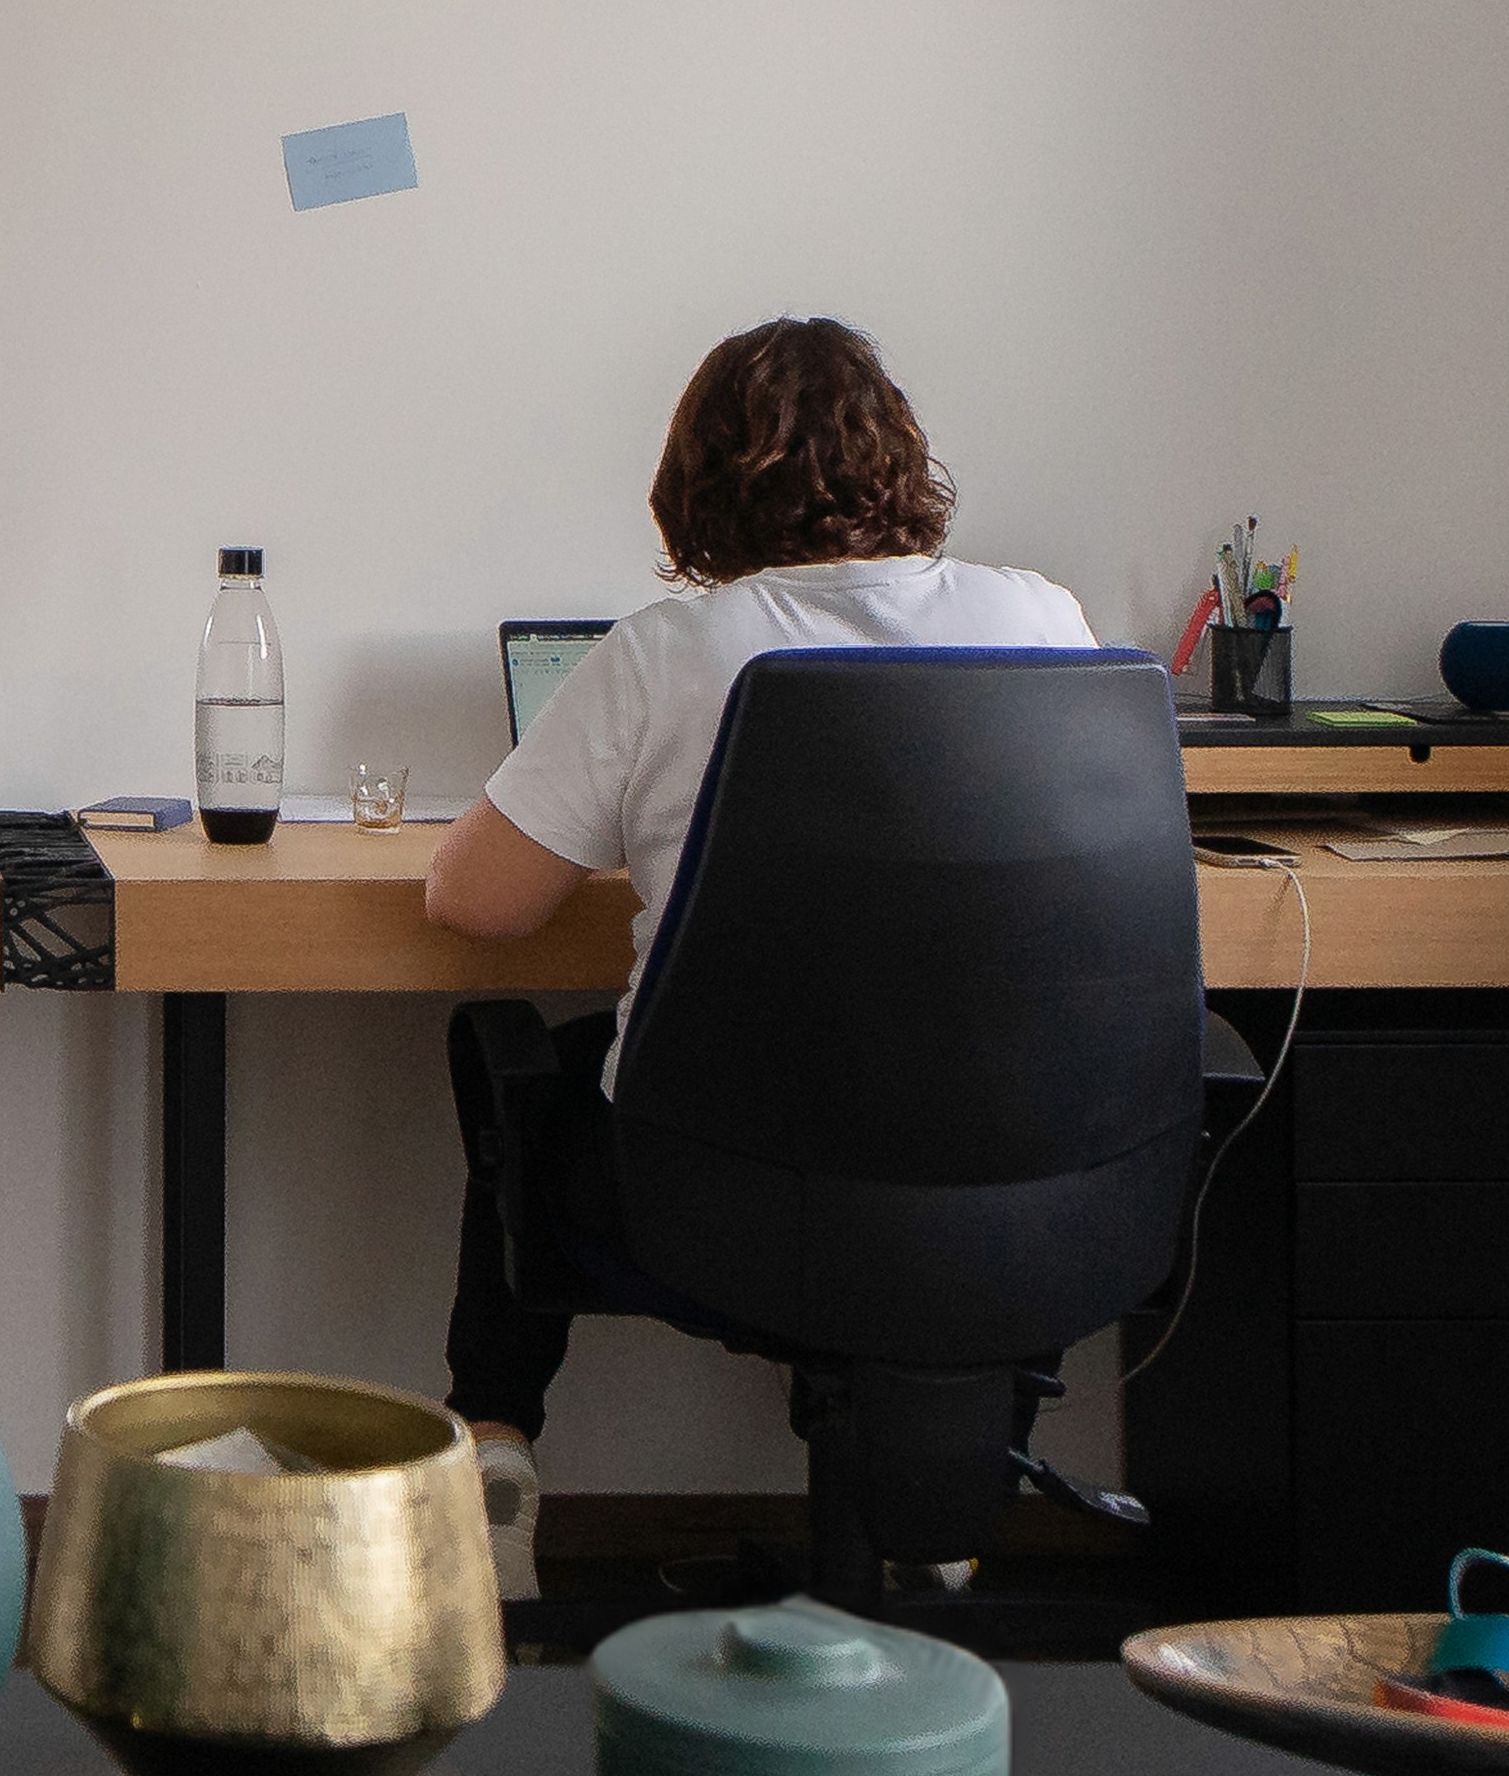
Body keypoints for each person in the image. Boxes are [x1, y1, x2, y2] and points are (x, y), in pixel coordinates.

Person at [414, 317, 1095, 1599]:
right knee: (959, 1096)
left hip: (718, 1210)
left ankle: (492, 1446)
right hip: (1004, 1202)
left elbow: (477, 901)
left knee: (522, 1074)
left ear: (697, 483)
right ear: (902, 455)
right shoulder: (1042, 618)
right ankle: (941, 1491)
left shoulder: (668, 653)